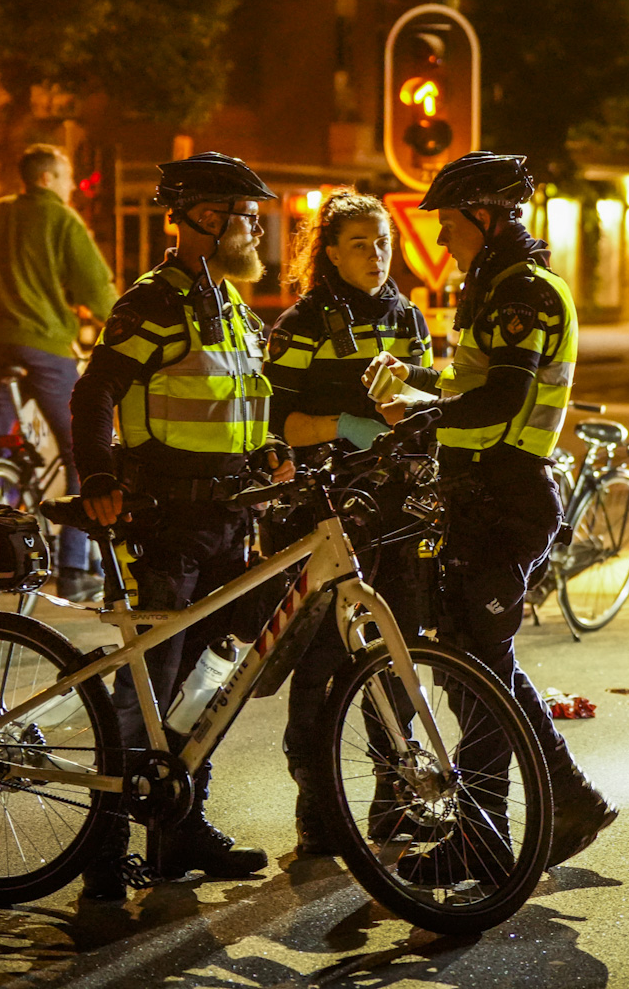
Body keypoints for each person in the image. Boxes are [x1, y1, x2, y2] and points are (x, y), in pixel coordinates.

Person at [369, 151, 616, 883]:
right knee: (485, 667)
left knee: (481, 672)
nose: (442, 237)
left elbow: (503, 399)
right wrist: (414, 377)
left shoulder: (525, 294)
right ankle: (569, 799)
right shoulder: (494, 286)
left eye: (449, 222)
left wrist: (419, 413)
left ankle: (485, 840)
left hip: (507, 498)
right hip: (478, 495)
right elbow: (471, 379)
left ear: (486, 215)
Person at [69, 151, 294, 901]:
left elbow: (234, 402)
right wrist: (99, 477)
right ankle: (101, 853)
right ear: (203, 216)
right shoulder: (156, 301)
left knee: (213, 682)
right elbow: (95, 392)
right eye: (245, 214)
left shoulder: (226, 303)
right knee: (149, 687)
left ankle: (178, 828)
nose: (257, 226)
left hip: (227, 518)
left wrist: (268, 450)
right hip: (165, 519)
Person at [262, 189, 434, 857]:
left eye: (384, 241)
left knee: (395, 655)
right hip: (324, 511)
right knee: (323, 662)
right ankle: (317, 806)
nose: (377, 254)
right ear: (329, 251)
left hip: (396, 513)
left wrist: (415, 407)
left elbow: (423, 400)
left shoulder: (407, 316)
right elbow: (275, 421)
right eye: (360, 243)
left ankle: (393, 803)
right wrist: (346, 427)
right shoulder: (303, 323)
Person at [0, 143, 116, 599]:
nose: (71, 189)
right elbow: (96, 287)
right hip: (45, 349)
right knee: (81, 451)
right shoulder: (61, 220)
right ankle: (73, 567)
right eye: (67, 179)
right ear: (47, 179)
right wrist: (123, 326)